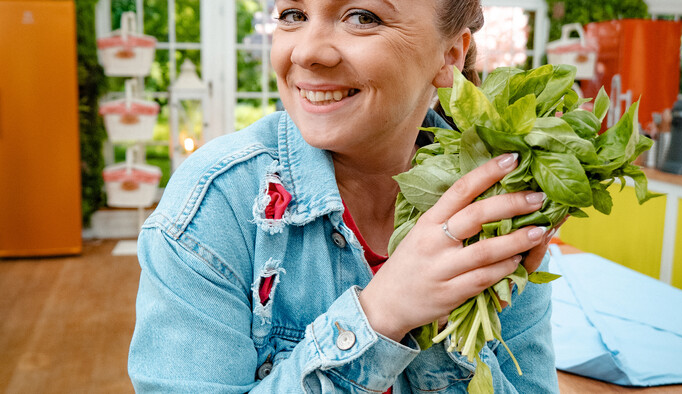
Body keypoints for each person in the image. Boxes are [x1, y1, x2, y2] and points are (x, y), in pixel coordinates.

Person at [128, 0, 559, 392]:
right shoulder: (215, 204)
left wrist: (447, 332)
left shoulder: (499, 203)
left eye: (362, 17)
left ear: (449, 56)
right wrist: (382, 314)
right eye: (293, 15)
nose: (306, 52)